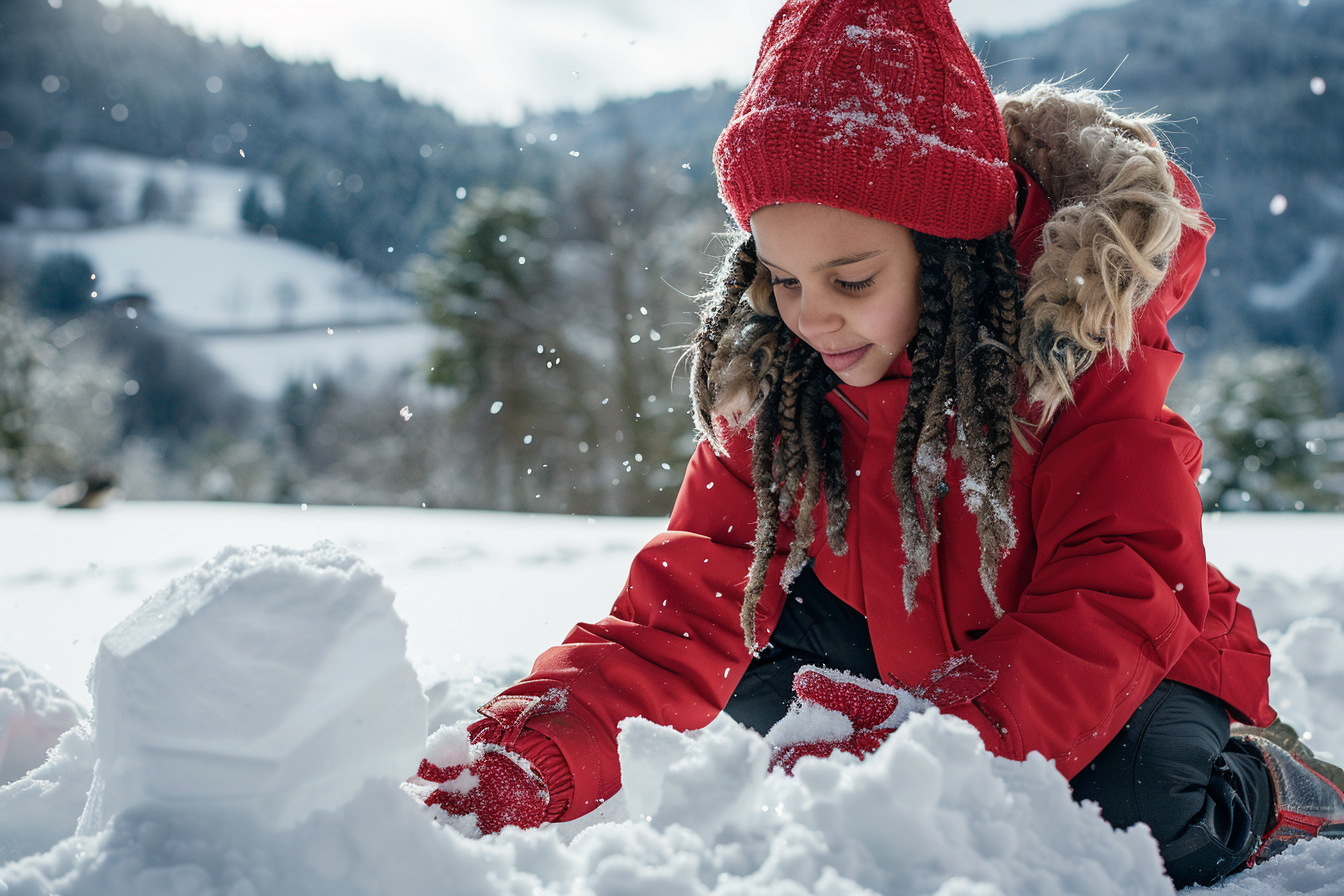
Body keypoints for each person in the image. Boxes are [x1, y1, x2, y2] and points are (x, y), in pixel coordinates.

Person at [410, 0, 1344, 886]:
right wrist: (527, 752)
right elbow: (684, 610)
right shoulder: (785, 382)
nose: (810, 316)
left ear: (945, 250)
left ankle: (1281, 787)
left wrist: (948, 745)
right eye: (780, 279)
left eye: (850, 279)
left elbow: (1123, 582)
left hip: (1130, 663)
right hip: (925, 673)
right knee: (750, 680)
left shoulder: (1081, 353)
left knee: (1134, 814)